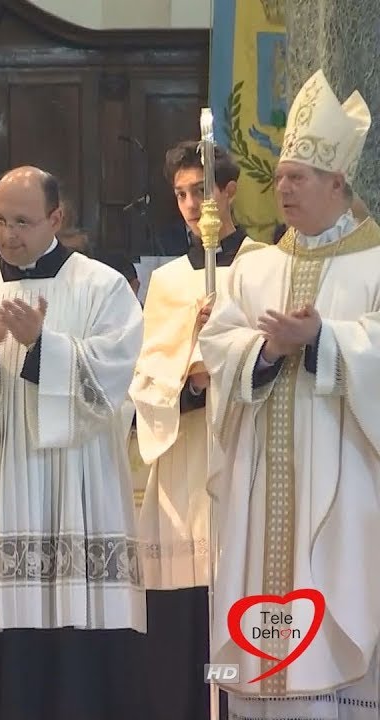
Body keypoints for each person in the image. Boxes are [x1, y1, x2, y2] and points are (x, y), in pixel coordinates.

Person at [0, 166, 146, 720]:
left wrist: (43, 346)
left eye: (23, 221)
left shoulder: (101, 286)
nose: (9, 233)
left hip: (79, 496)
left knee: (78, 668)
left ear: (56, 219)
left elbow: (117, 378)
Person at [198, 69, 380, 718]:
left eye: (298, 177)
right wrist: (269, 350)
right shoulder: (256, 266)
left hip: (345, 481)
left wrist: (327, 339)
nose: (283, 187)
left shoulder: (376, 265)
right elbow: (218, 349)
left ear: (338, 184)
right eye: (278, 176)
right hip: (260, 482)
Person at [130, 140, 257, 720]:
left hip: (244, 456)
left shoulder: (265, 265)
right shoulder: (167, 283)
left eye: (201, 190)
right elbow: (148, 379)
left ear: (228, 190)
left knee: (241, 602)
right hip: (183, 463)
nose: (189, 203)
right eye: (181, 193)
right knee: (184, 616)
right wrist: (195, 373)